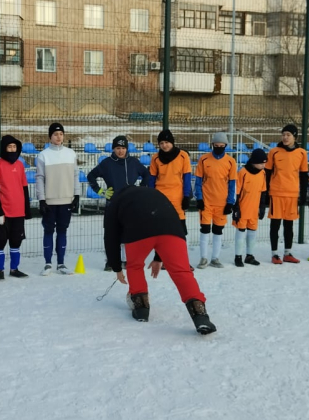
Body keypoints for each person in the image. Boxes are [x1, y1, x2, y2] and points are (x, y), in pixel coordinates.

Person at [104, 186, 216, 335]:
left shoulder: (115, 202)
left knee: (135, 266)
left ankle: (141, 308)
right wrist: (159, 257)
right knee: (182, 272)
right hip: (172, 229)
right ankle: (200, 315)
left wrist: (116, 267)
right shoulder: (154, 193)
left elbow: (110, 238)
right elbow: (163, 220)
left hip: (137, 231)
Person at [87, 135, 150, 270]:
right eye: (117, 148)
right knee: (110, 233)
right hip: (113, 203)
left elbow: (146, 174)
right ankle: (111, 261)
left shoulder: (133, 162)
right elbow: (90, 175)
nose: (120, 151)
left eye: (123, 148)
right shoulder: (107, 163)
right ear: (113, 149)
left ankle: (127, 260)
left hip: (129, 203)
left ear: (127, 149)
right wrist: (100, 191)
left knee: (128, 231)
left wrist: (141, 188)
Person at [36, 122, 81, 275]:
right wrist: (41, 199)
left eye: (61, 134)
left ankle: (61, 263)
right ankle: (48, 263)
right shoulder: (43, 155)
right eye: (55, 134)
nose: (58, 137)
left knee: (62, 231)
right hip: (50, 201)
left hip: (66, 200)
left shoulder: (71, 153)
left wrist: (77, 195)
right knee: (48, 231)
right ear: (50, 136)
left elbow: (75, 175)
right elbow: (40, 178)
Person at [0, 135, 32, 280]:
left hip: (18, 211)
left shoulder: (20, 165)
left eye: (14, 147)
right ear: (4, 148)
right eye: (9, 147)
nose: (12, 149)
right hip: (4, 212)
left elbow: (24, 187)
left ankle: (14, 269)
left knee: (16, 241)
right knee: (0, 241)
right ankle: (0, 270)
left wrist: (27, 209)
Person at [266, 124, 309, 264]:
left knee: (289, 225)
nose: (285, 137)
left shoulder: (302, 153)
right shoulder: (274, 152)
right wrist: (265, 193)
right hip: (276, 193)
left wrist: (303, 195)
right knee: (275, 224)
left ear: (295, 137)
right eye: (283, 134)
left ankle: (287, 253)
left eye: (288, 135)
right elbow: (267, 174)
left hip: (292, 194)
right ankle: (274, 254)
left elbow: (303, 176)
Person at [194, 132, 237, 268]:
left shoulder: (231, 161)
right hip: (206, 201)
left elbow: (232, 184)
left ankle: (215, 258)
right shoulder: (204, 159)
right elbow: (198, 181)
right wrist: (199, 198)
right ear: (212, 145)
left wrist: (230, 202)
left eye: (221, 145)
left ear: (225, 146)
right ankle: (203, 258)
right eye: (216, 145)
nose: (218, 147)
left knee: (218, 230)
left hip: (222, 202)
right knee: (205, 229)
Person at [149, 128, 192, 234]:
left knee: (180, 232)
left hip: (177, 197)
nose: (164, 145)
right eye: (162, 143)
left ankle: (179, 251)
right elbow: (152, 180)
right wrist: (151, 196)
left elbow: (187, 177)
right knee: (161, 230)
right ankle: (160, 251)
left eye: (167, 142)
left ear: (172, 142)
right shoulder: (155, 158)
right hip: (160, 197)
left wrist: (186, 196)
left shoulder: (183, 156)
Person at [232, 148, 268, 267]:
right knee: (241, 232)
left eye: (265, 163)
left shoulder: (262, 173)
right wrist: (236, 208)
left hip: (254, 210)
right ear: (254, 162)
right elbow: (236, 192)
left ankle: (250, 255)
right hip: (243, 209)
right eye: (261, 163)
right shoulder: (243, 172)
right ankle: (238, 256)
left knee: (252, 232)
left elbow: (263, 191)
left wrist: (262, 207)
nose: (264, 165)